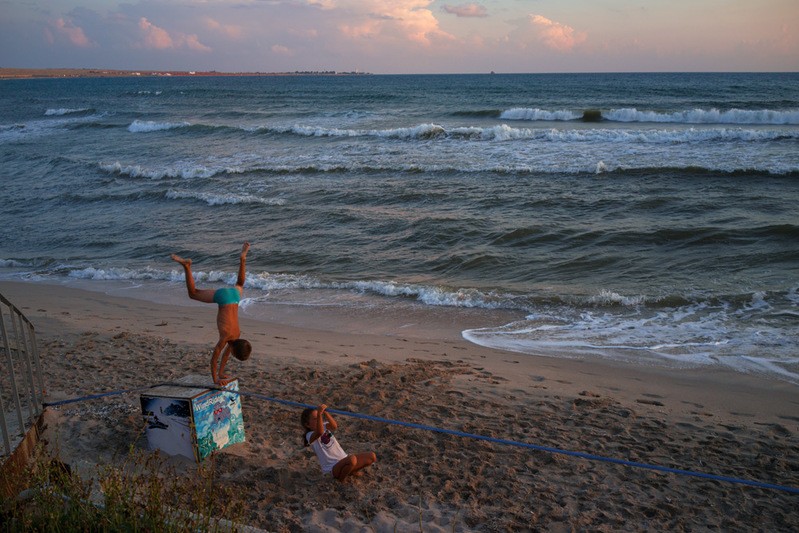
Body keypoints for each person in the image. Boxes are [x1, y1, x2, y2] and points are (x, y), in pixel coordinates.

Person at [171, 242, 252, 385]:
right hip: (224, 298)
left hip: (234, 297)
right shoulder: (226, 337)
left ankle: (243, 258)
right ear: (234, 350)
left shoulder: (237, 334)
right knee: (193, 294)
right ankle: (187, 266)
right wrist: (215, 379)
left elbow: (225, 355)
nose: (229, 354)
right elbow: (215, 358)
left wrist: (221, 373)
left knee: (240, 284)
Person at [301, 404, 376, 482]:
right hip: (331, 469)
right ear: (307, 425)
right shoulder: (309, 435)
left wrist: (325, 412)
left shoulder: (323, 425)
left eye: (318, 418)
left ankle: (351, 471)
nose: (318, 420)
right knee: (352, 459)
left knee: (371, 456)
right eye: (315, 419)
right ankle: (341, 479)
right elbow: (319, 432)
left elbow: (334, 426)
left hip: (343, 460)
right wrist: (319, 414)